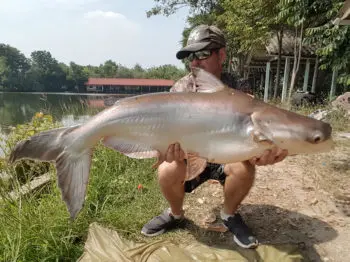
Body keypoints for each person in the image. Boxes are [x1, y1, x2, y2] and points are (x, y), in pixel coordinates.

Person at [141, 24, 288, 249]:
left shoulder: (239, 87)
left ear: (222, 55)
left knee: (244, 168)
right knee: (167, 167)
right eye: (191, 56)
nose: (194, 62)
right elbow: (167, 131)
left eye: (202, 53)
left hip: (224, 156)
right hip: (191, 156)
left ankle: (229, 215)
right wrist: (166, 148)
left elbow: (250, 134)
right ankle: (176, 214)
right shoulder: (181, 87)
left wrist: (259, 151)